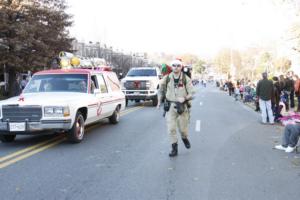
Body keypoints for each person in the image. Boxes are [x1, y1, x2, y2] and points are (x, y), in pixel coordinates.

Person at [158, 59, 195, 157]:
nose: (176, 67)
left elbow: (192, 93)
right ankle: (174, 148)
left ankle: (184, 137)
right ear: (172, 67)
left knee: (183, 129)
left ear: (181, 67)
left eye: (178, 65)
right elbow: (161, 91)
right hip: (170, 107)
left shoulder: (186, 78)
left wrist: (185, 98)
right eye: (174, 65)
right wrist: (158, 102)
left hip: (182, 107)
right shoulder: (166, 78)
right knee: (171, 129)